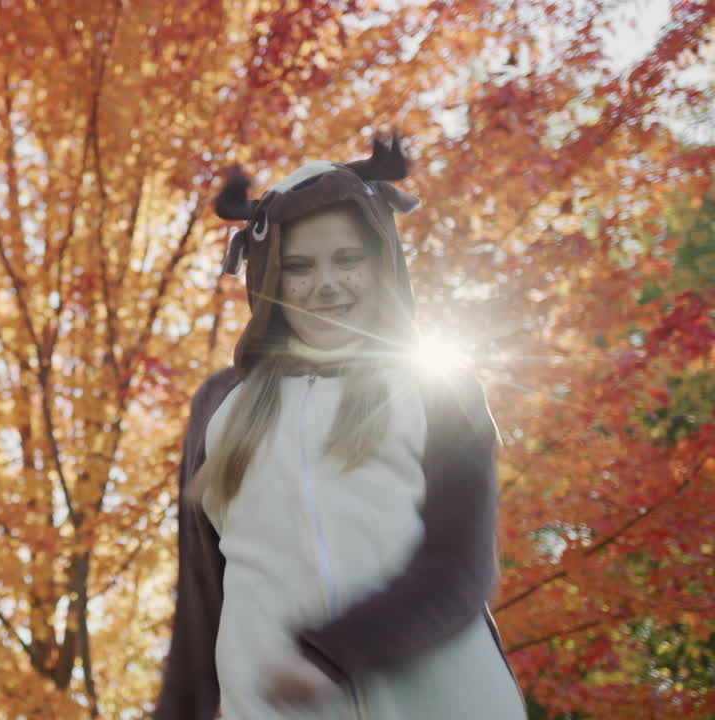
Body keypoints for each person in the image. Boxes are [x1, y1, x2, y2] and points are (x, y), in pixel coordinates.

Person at [152, 136, 527, 720]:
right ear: (269, 278)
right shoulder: (221, 407)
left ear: (381, 264)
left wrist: (334, 652)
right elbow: (200, 604)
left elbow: (461, 565)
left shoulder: (439, 387)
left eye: (348, 259)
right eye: (299, 266)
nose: (326, 283)